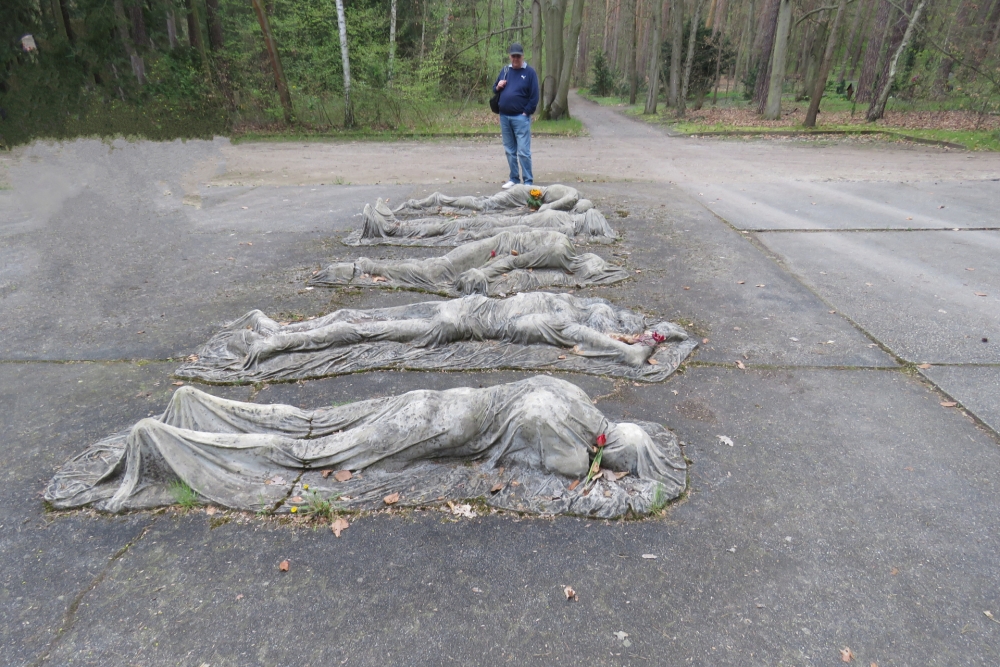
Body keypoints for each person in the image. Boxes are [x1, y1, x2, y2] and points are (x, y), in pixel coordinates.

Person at [493, 43, 539, 189]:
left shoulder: (530, 73)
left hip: (521, 117)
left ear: (522, 56)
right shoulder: (505, 70)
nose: (515, 58)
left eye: (518, 56)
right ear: (510, 56)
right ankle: (514, 178)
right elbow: (495, 89)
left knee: (523, 151)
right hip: (504, 116)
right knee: (509, 150)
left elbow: (534, 96)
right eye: (513, 56)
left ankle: (528, 181)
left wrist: (526, 112)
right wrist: (498, 86)